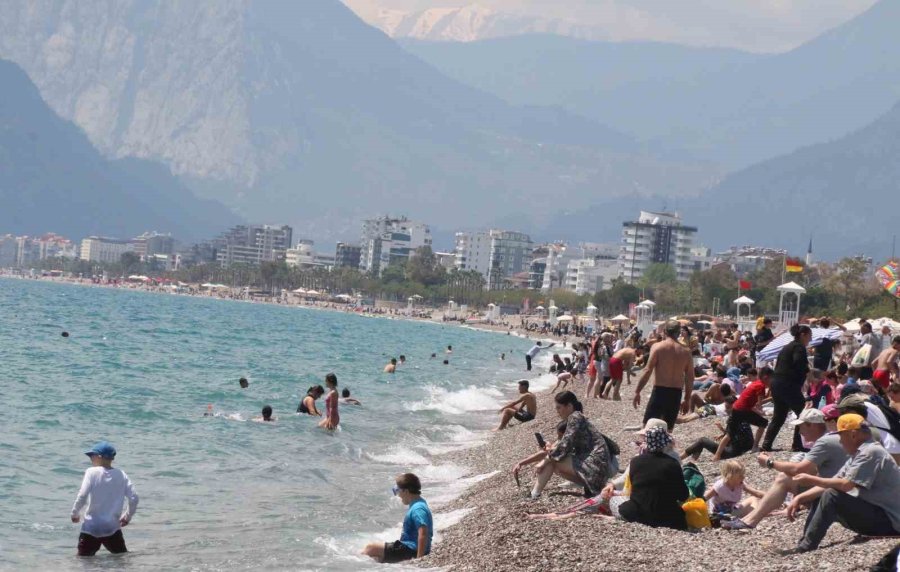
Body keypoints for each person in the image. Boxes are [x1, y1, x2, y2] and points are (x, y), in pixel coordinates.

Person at [783, 413, 900, 553]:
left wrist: (811, 479)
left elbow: (846, 485)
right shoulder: (859, 453)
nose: (840, 441)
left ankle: (806, 546)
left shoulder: (871, 452)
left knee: (832, 495)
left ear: (853, 435)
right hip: (880, 516)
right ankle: (804, 543)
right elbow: (834, 481)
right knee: (826, 492)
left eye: (841, 436)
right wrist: (799, 498)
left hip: (890, 523)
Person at [724, 405, 847, 530]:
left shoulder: (824, 442)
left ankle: (750, 521)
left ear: (812, 425)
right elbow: (810, 471)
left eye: (801, 427)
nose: (800, 432)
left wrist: (769, 462)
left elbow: (799, 470)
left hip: (836, 496)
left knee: (784, 478)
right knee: (790, 477)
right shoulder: (830, 438)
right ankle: (748, 519)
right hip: (838, 491)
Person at [530, 391, 611, 499]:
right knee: (553, 460)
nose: (557, 412)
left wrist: (544, 461)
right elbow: (565, 445)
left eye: (559, 408)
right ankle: (534, 494)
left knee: (552, 462)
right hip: (597, 468)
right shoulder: (578, 417)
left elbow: (565, 444)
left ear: (569, 406)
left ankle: (534, 494)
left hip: (594, 466)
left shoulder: (575, 416)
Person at [70, 442, 139, 556]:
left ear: (99, 457)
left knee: (84, 562)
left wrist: (75, 513)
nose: (91, 459)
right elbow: (134, 498)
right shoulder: (121, 474)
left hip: (91, 528)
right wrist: (127, 517)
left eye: (92, 456)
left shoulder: (91, 472)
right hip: (112, 527)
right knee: (120, 560)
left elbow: (82, 495)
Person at [615, 426, 690, 530]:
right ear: (664, 443)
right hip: (669, 519)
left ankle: (615, 518)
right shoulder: (673, 464)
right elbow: (683, 495)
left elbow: (634, 490)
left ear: (647, 443)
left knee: (614, 500)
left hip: (638, 515)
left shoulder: (635, 462)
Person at [633, 321, 694, 431]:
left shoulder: (657, 347)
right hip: (676, 393)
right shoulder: (686, 351)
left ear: (665, 331)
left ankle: (648, 448)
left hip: (659, 391)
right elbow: (690, 377)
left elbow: (647, 370)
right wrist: (687, 399)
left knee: (648, 428)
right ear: (679, 333)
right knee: (668, 430)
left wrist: (637, 391)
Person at [761, 324, 812, 452]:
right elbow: (798, 362)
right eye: (809, 337)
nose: (810, 340)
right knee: (803, 413)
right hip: (787, 385)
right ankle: (797, 444)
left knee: (779, 416)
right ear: (803, 335)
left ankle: (766, 444)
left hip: (777, 384)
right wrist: (807, 371)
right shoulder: (799, 347)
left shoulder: (787, 347)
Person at [363, 473, 433, 563]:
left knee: (370, 548)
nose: (398, 495)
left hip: (412, 550)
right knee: (377, 558)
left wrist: (419, 559)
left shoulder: (418, 508)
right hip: (410, 548)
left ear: (406, 491)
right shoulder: (419, 503)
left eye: (398, 491)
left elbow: (423, 533)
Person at [681, 397, 754, 461]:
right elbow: (737, 433)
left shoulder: (733, 418)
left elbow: (727, 437)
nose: (726, 409)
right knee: (700, 444)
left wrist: (717, 455)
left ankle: (680, 458)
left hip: (735, 451)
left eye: (728, 407)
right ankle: (692, 461)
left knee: (702, 441)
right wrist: (722, 431)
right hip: (747, 447)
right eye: (725, 407)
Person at [731, 366, 772, 451]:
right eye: (771, 379)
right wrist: (771, 399)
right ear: (766, 378)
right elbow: (759, 404)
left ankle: (719, 452)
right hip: (742, 409)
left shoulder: (756, 383)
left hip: (736, 407)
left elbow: (750, 403)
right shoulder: (761, 386)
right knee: (763, 423)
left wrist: (759, 413)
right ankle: (755, 447)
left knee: (731, 431)